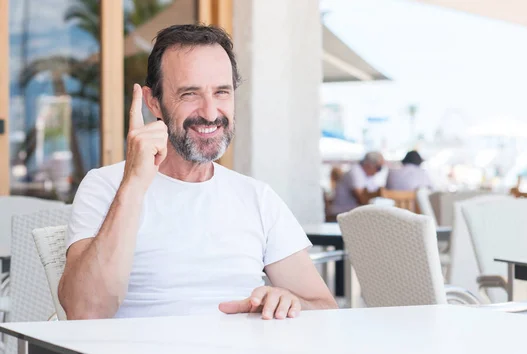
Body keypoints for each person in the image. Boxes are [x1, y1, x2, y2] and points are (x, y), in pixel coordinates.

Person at [58, 24, 337, 320]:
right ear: (154, 102)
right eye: (190, 93)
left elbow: (325, 310)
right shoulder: (106, 186)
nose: (210, 112)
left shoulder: (257, 197)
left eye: (221, 92)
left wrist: (288, 301)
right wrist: (134, 185)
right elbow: (85, 311)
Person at [329, 152, 385, 216]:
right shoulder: (355, 172)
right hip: (343, 213)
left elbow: (373, 193)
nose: (379, 171)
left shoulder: (368, 175)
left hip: (353, 212)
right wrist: (381, 193)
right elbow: (362, 199)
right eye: (379, 168)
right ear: (369, 165)